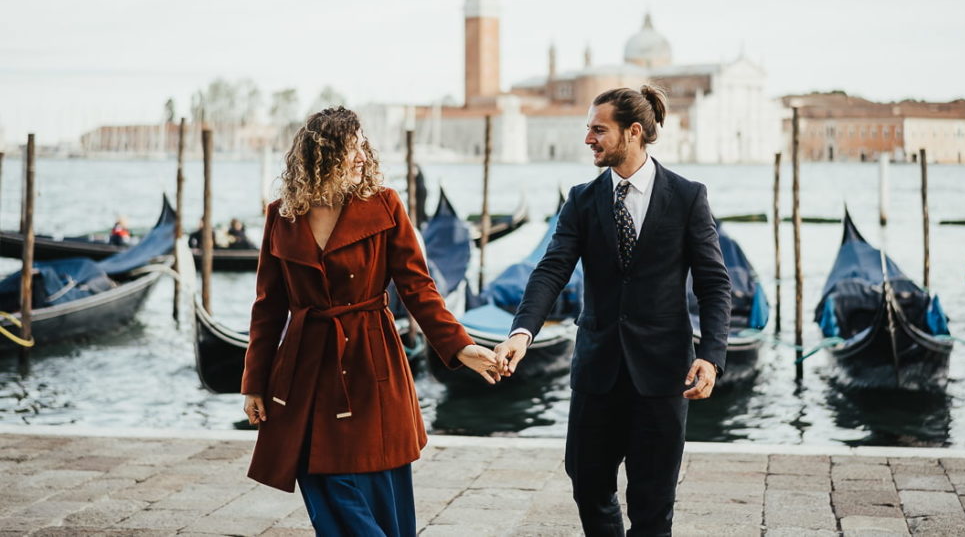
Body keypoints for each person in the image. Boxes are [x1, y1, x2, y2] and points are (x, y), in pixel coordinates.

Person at [241, 106, 498, 535]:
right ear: (321, 154)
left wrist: (460, 346)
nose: (362, 156)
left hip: (370, 362)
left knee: (377, 483)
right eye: (351, 147)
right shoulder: (281, 215)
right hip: (304, 370)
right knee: (318, 472)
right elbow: (268, 307)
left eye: (363, 146)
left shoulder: (385, 206)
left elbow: (418, 288)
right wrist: (254, 382)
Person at [494, 86, 732, 537]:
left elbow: (715, 283)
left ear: (633, 132)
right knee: (587, 486)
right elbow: (552, 269)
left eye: (598, 129)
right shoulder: (582, 199)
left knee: (653, 503)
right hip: (596, 372)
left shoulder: (686, 197)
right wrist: (523, 332)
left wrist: (712, 355)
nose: (588, 138)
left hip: (663, 377)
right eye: (588, 129)